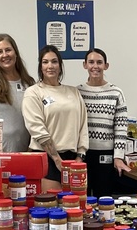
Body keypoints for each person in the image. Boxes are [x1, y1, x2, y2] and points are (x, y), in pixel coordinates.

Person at [22, 45, 88, 191]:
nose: (50, 66)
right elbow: (37, 128)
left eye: (54, 61)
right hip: (47, 158)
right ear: (40, 66)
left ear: (60, 65)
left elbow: (83, 125)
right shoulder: (33, 92)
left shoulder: (73, 92)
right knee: (53, 209)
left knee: (75, 208)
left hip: (73, 159)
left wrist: (80, 156)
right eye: (45, 62)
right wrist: (57, 160)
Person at [77, 48, 132, 197]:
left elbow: (121, 127)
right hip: (83, 155)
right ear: (85, 65)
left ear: (106, 66)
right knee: (83, 199)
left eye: (99, 62)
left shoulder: (116, 93)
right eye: (91, 62)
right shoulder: (77, 93)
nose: (95, 66)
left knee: (104, 199)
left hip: (106, 155)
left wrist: (118, 157)